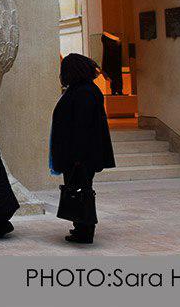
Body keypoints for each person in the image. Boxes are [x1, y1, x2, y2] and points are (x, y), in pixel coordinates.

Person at [50, 53, 115, 244]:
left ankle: (85, 229)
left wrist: (77, 156)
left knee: (81, 190)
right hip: (79, 154)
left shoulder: (84, 92)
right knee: (79, 189)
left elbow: (82, 128)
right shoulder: (82, 90)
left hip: (80, 155)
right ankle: (81, 225)